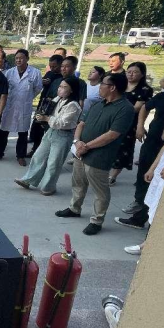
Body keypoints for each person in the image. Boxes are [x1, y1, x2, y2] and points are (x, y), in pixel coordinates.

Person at [55, 73, 135, 236]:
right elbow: (81, 123)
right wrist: (77, 141)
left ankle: (96, 221)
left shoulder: (125, 108)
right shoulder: (98, 104)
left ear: (112, 87)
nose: (99, 86)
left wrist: (87, 146)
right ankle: (74, 208)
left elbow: (112, 135)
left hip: (100, 156)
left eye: (102, 84)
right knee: (78, 182)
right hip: (81, 152)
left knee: (100, 191)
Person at [15, 78, 82, 196]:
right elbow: (47, 110)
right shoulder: (58, 99)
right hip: (51, 131)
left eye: (64, 87)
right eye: (60, 86)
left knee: (54, 163)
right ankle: (28, 179)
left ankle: (48, 187)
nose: (60, 89)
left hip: (63, 134)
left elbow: (62, 123)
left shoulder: (73, 105)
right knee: (38, 156)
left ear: (72, 90)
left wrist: (46, 118)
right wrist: (41, 115)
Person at [115, 89, 164, 229]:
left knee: (157, 184)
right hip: (152, 143)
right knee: (145, 176)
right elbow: (145, 107)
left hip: (162, 148)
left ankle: (143, 219)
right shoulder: (162, 96)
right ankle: (140, 206)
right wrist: (140, 126)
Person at [0, 49, 43, 167]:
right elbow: (3, 89)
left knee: (23, 133)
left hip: (24, 106)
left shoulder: (35, 73)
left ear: (27, 59)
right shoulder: (9, 73)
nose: (18, 60)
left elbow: (38, 88)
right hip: (9, 106)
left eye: (21, 58)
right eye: (16, 58)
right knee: (3, 131)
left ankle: (20, 156)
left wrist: (27, 97)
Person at [109, 62, 154, 186]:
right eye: (129, 72)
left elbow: (137, 108)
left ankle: (113, 176)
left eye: (135, 72)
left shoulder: (145, 90)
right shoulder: (120, 85)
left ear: (142, 74)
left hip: (129, 123)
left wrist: (140, 126)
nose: (131, 74)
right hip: (111, 119)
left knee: (123, 149)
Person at [121, 142, 164, 255]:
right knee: (155, 210)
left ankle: (150, 249)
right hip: (161, 172)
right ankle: (148, 245)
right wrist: (152, 168)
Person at [28, 55, 65, 156]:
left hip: (55, 106)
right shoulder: (49, 73)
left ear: (61, 65)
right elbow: (40, 85)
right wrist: (43, 82)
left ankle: (48, 152)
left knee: (49, 129)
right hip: (43, 104)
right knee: (37, 127)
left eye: (54, 66)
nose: (52, 68)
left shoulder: (63, 77)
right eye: (50, 66)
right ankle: (35, 149)